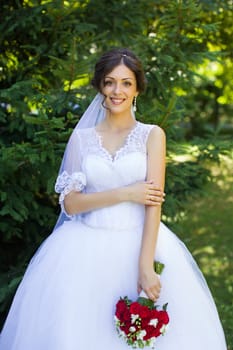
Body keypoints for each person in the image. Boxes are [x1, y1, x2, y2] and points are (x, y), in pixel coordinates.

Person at [0, 48, 227, 350]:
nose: (117, 90)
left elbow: (153, 202)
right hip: (82, 247)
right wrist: (126, 192)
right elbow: (71, 204)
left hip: (141, 241)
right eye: (110, 82)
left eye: (126, 83)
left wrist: (146, 265)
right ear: (99, 86)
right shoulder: (81, 139)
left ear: (137, 89)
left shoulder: (152, 135)